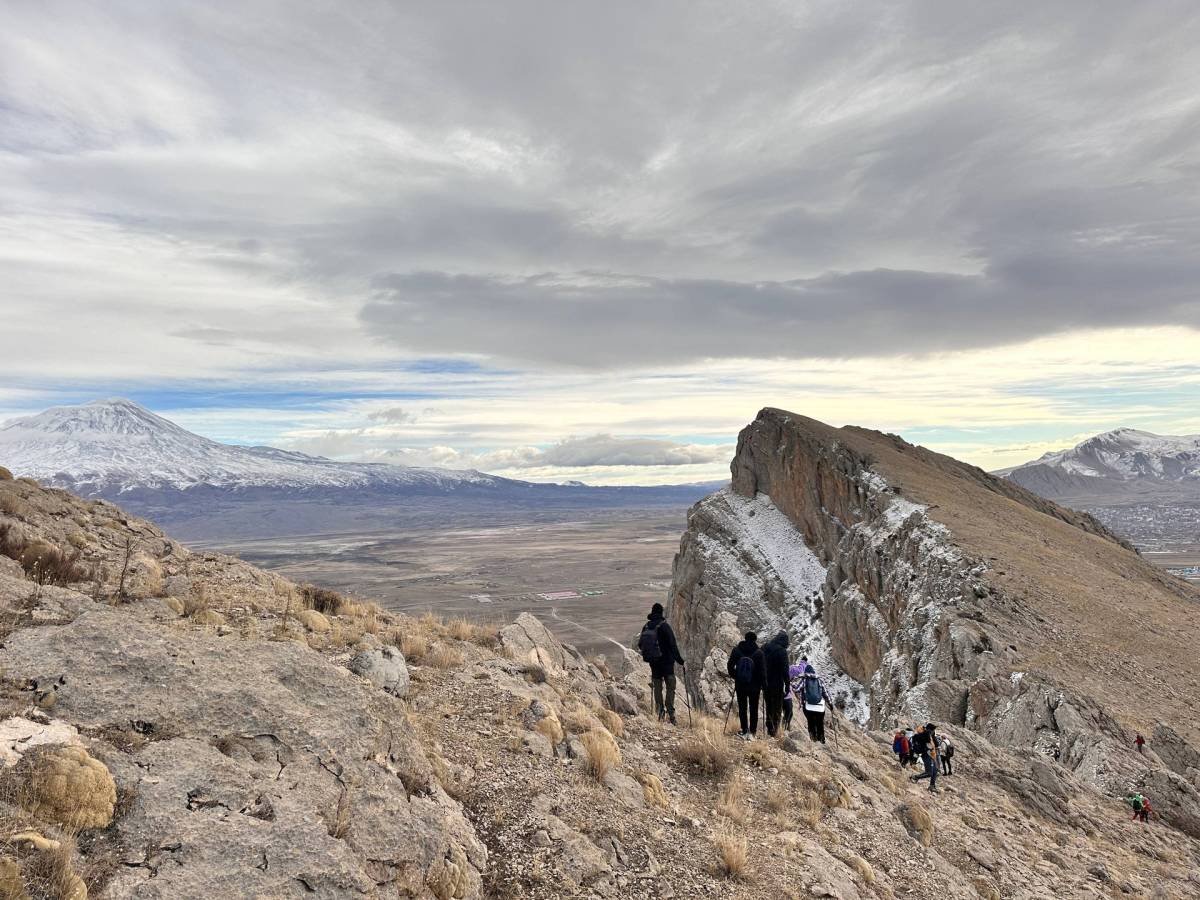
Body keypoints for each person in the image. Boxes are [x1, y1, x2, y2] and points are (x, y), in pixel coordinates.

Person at [638, 602, 685, 724]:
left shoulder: (646, 627)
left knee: (657, 688)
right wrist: (680, 661)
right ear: (661, 612)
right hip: (667, 664)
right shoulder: (664, 626)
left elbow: (640, 644)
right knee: (671, 686)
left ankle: (660, 712)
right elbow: (673, 645)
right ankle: (671, 713)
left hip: (654, 663)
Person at [726, 631, 765, 739]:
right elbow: (762, 671)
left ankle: (744, 730)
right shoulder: (759, 653)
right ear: (755, 639)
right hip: (755, 686)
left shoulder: (736, 650)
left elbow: (729, 666)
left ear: (745, 638)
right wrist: (763, 684)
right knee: (754, 708)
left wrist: (736, 676)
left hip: (741, 685)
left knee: (742, 708)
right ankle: (752, 732)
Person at [761, 632, 790, 737]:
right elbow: (785, 670)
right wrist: (787, 685)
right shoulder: (782, 651)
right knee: (777, 707)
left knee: (768, 705)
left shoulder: (764, 647)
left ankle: (769, 726)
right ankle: (773, 731)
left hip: (765, 682)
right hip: (777, 683)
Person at [800, 664, 832, 743]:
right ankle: (821, 740)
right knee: (820, 723)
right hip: (819, 707)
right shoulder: (819, 680)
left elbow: (797, 688)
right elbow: (825, 693)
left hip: (808, 706)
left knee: (811, 722)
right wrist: (830, 703)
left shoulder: (804, 680)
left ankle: (813, 739)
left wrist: (791, 683)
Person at [910, 722, 940, 792]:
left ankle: (932, 786)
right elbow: (927, 743)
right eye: (933, 730)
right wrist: (929, 734)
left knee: (935, 771)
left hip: (932, 755)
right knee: (929, 773)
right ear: (930, 730)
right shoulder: (925, 735)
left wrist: (933, 736)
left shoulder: (930, 736)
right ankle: (915, 777)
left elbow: (936, 744)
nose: (934, 731)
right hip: (926, 755)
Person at [783, 663, 806, 732]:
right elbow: (798, 670)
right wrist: (804, 663)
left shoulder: (788, 671)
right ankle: (785, 727)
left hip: (784, 695)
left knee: (789, 713)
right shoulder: (791, 669)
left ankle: (785, 726)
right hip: (785, 696)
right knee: (789, 712)